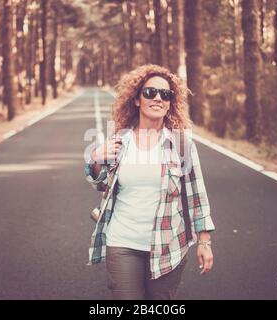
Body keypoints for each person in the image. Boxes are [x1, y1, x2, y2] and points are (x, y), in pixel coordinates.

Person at [84, 64, 215, 300]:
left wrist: (204, 243)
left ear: (170, 102)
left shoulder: (181, 145)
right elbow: (101, 185)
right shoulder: (119, 142)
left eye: (165, 94)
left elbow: (197, 196)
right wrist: (95, 160)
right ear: (136, 100)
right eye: (150, 92)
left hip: (169, 246)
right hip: (123, 242)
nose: (158, 98)